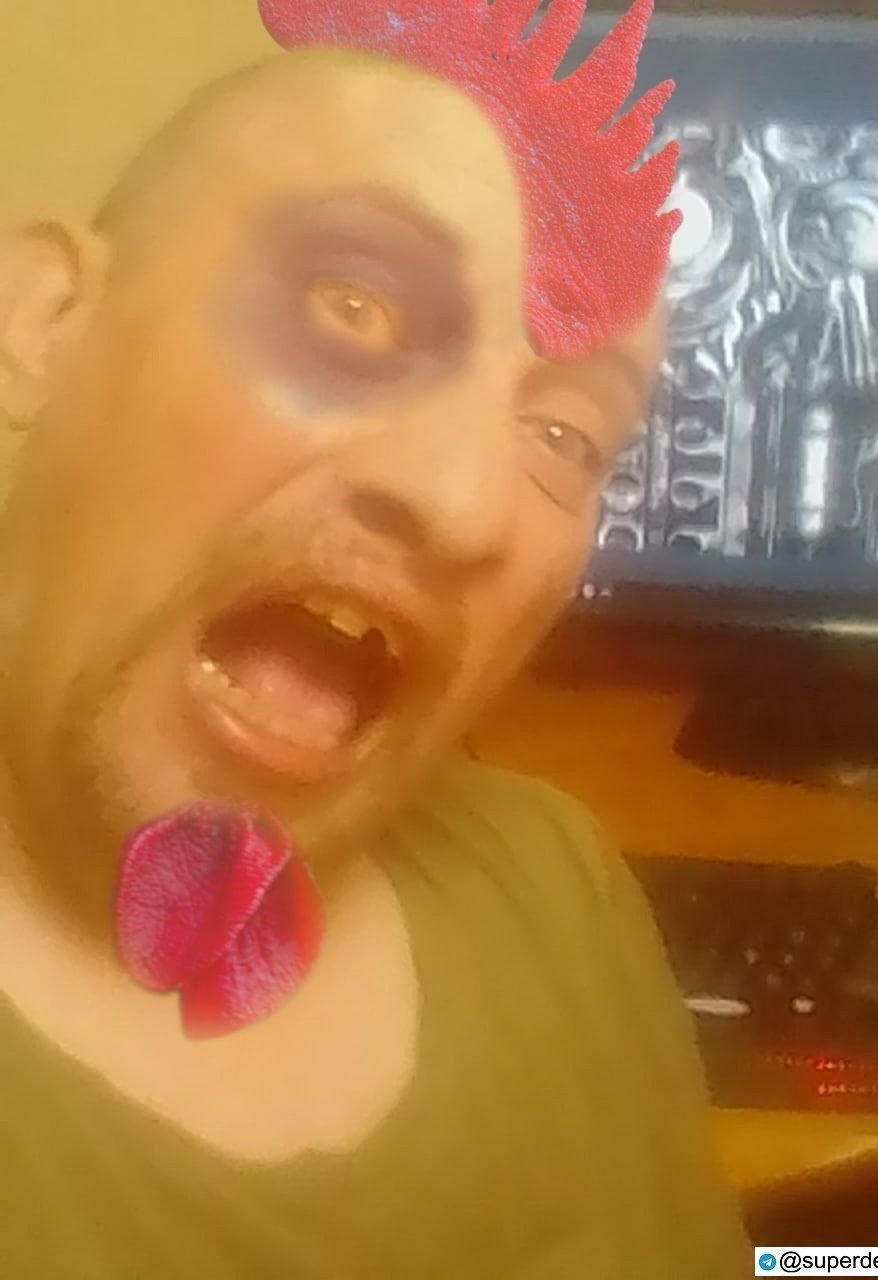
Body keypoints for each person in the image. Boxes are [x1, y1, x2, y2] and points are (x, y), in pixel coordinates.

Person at [0, 10, 749, 1277]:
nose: (465, 506)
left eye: (564, 435)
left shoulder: (553, 888)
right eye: (355, 307)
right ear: (48, 315)